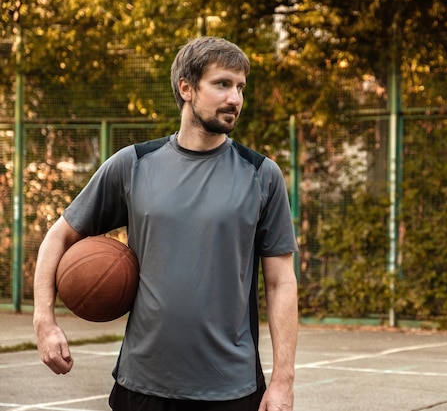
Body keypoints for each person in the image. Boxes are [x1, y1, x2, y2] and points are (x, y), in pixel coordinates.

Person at [33, 36, 299, 411]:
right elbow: (58, 236)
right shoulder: (134, 165)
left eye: (240, 87)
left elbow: (281, 281)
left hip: (231, 389)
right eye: (222, 84)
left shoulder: (261, 174)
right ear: (186, 88)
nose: (235, 99)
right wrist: (44, 320)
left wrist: (283, 382)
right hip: (143, 383)